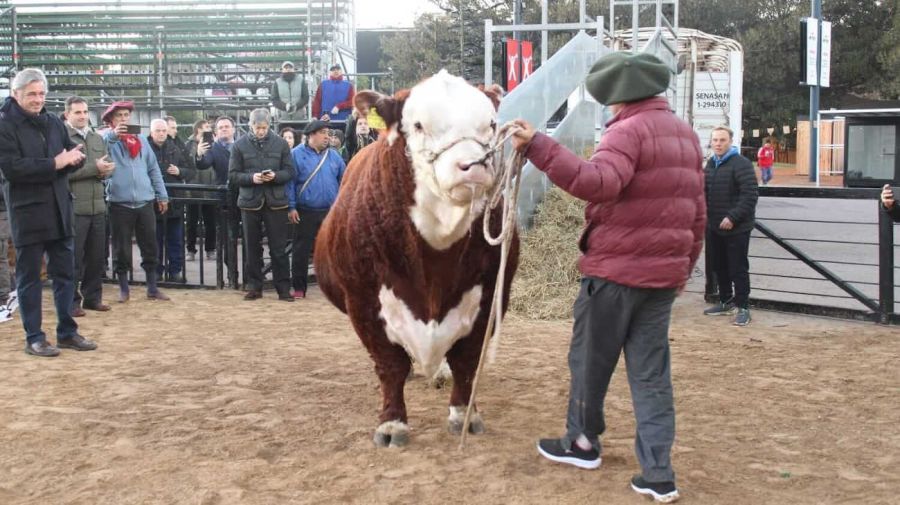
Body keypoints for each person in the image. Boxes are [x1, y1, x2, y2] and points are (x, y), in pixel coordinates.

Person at [510, 52, 706, 503]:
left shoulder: (627, 131)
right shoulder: (686, 136)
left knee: (589, 362)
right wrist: (683, 270)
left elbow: (599, 183)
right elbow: (697, 213)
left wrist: (539, 146)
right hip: (660, 280)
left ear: (618, 97)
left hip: (614, 274)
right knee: (652, 376)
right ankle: (659, 472)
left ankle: (582, 442)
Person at [0, 68, 97, 357]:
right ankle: (34, 337)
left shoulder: (53, 121)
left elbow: (69, 154)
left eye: (41, 93)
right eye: (31, 94)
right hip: (27, 212)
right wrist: (56, 163)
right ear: (16, 94)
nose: (37, 99)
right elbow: (12, 169)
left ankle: (67, 332)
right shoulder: (4, 124)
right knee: (30, 279)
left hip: (59, 209)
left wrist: (75, 159)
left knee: (66, 274)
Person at [102, 101, 171, 302]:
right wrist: (114, 136)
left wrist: (162, 194)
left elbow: (153, 169)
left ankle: (152, 287)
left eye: (126, 115)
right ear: (112, 120)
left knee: (150, 245)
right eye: (119, 116)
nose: (124, 119)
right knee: (120, 248)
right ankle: (124, 288)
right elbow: (100, 149)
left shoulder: (141, 139)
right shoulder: (107, 138)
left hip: (144, 200)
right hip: (119, 202)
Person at [228, 108, 294, 301]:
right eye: (258, 128)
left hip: (276, 202)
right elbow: (232, 175)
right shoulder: (239, 146)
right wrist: (251, 178)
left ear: (269, 125)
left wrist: (275, 176)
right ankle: (255, 287)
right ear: (251, 126)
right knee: (251, 247)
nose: (261, 131)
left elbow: (290, 171)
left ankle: (283, 289)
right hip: (250, 202)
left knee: (279, 248)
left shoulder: (281, 144)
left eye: (264, 128)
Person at [703, 125, 758, 327]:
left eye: (722, 140)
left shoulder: (741, 164)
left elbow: (749, 195)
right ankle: (726, 301)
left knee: (738, 268)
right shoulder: (710, 164)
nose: (718, 144)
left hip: (737, 228)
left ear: (730, 141)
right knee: (719, 266)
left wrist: (733, 217)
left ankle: (743, 306)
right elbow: (703, 191)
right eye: (715, 140)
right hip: (714, 226)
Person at [65, 96, 115, 316]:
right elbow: (63, 173)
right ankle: (71, 302)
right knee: (72, 259)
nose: (83, 116)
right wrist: (95, 169)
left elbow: (105, 164)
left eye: (85, 112)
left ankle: (93, 298)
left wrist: (106, 170)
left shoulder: (96, 138)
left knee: (96, 258)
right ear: (68, 115)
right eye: (77, 112)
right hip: (74, 208)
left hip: (98, 206)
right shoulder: (62, 138)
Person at [287, 120, 346, 299]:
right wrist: (291, 207)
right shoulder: (295, 155)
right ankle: (299, 288)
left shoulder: (334, 156)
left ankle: (336, 288)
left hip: (330, 211)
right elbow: (290, 183)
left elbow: (344, 180)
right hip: (305, 210)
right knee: (300, 251)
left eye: (328, 133)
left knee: (334, 251)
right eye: (323, 133)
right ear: (311, 135)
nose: (327, 137)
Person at [148, 118, 194, 281]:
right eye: (157, 131)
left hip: (174, 199)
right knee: (154, 239)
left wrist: (180, 171)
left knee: (175, 239)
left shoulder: (176, 148)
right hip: (152, 201)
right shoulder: (144, 148)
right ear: (151, 132)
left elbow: (191, 170)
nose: (161, 134)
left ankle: (175, 271)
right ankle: (155, 271)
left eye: (163, 131)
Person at [184, 119, 217, 262]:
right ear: (198, 129)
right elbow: (187, 163)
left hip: (210, 187)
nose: (208, 129)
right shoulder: (188, 145)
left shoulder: (214, 144)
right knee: (192, 222)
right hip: (193, 188)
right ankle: (190, 250)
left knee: (211, 222)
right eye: (205, 127)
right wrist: (197, 153)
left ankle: (210, 249)